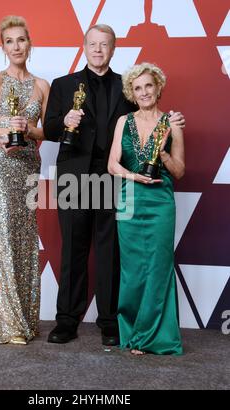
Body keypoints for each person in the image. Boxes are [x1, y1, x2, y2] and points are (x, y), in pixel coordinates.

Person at [44, 24, 184, 346]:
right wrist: (64, 121)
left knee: (110, 251)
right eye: (92, 44)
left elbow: (147, 119)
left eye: (104, 45)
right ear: (84, 46)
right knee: (73, 249)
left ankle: (110, 321)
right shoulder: (63, 85)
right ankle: (66, 320)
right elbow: (49, 128)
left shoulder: (128, 86)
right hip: (74, 175)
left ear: (113, 49)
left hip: (113, 176)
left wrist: (173, 123)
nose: (97, 49)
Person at [0, 15, 50, 345]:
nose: (16, 46)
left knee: (23, 237)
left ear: (29, 43)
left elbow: (48, 131)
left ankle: (24, 318)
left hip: (28, 165)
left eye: (21, 39)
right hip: (2, 167)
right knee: (2, 234)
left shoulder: (42, 86)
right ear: (3, 47)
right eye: (10, 41)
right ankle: (7, 322)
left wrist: (29, 130)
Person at [108, 62, 184, 355]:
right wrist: (132, 175)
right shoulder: (123, 122)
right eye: (137, 88)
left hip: (160, 202)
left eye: (148, 86)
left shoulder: (172, 123)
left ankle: (155, 336)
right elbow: (112, 164)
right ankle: (135, 332)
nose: (144, 92)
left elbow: (179, 171)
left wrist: (163, 152)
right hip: (128, 198)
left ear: (158, 87)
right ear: (131, 91)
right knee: (133, 270)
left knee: (157, 267)